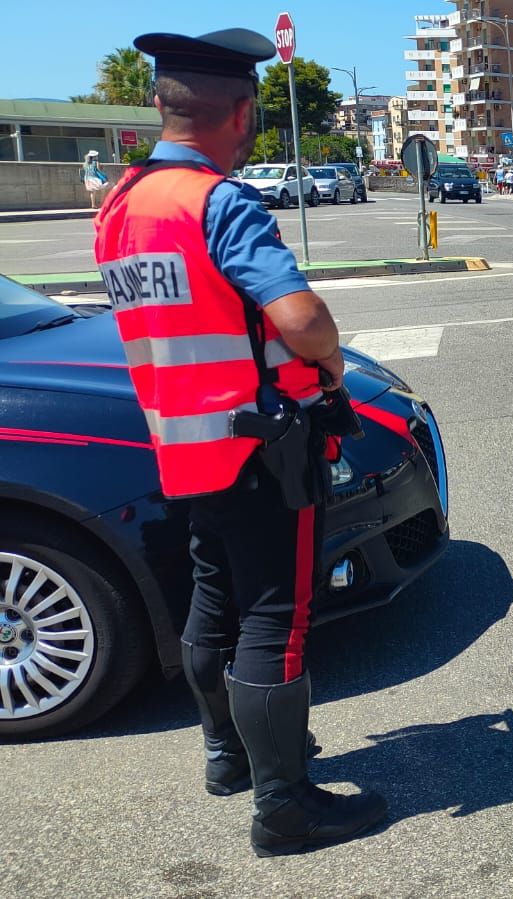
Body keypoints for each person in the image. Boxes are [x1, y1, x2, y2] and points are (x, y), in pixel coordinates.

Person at [91, 27, 386, 857]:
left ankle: (228, 757)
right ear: (244, 112)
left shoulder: (119, 205)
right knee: (274, 623)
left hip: (180, 446)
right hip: (259, 449)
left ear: (161, 103)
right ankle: (283, 805)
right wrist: (327, 361)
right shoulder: (217, 201)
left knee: (213, 602)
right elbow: (299, 317)